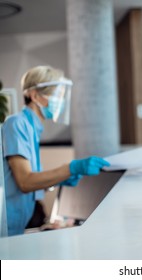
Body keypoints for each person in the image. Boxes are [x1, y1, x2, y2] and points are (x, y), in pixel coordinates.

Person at [1, 65, 110, 236]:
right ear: (34, 95)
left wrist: (58, 180)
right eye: (56, 95)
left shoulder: (32, 128)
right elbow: (25, 182)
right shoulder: (17, 123)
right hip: (6, 226)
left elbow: (30, 183)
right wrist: (70, 168)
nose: (60, 101)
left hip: (17, 226)